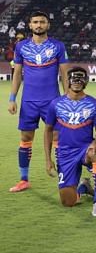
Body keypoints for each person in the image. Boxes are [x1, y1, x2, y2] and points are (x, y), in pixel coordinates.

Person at [7, 11, 69, 193]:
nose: (39, 25)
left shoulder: (58, 46)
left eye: (42, 22)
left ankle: (62, 178)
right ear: (30, 25)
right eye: (35, 22)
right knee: (26, 138)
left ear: (48, 25)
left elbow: (64, 74)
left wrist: (67, 100)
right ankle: (24, 179)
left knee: (58, 138)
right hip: (29, 102)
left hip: (53, 101)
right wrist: (12, 98)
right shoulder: (21, 47)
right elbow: (17, 74)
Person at [42, 67, 96, 216]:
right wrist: (48, 159)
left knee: (95, 153)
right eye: (74, 79)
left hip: (85, 148)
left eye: (80, 79)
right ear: (68, 81)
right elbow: (48, 131)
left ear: (86, 82)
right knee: (68, 202)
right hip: (65, 153)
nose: (77, 82)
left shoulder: (94, 104)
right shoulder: (56, 104)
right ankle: (83, 187)